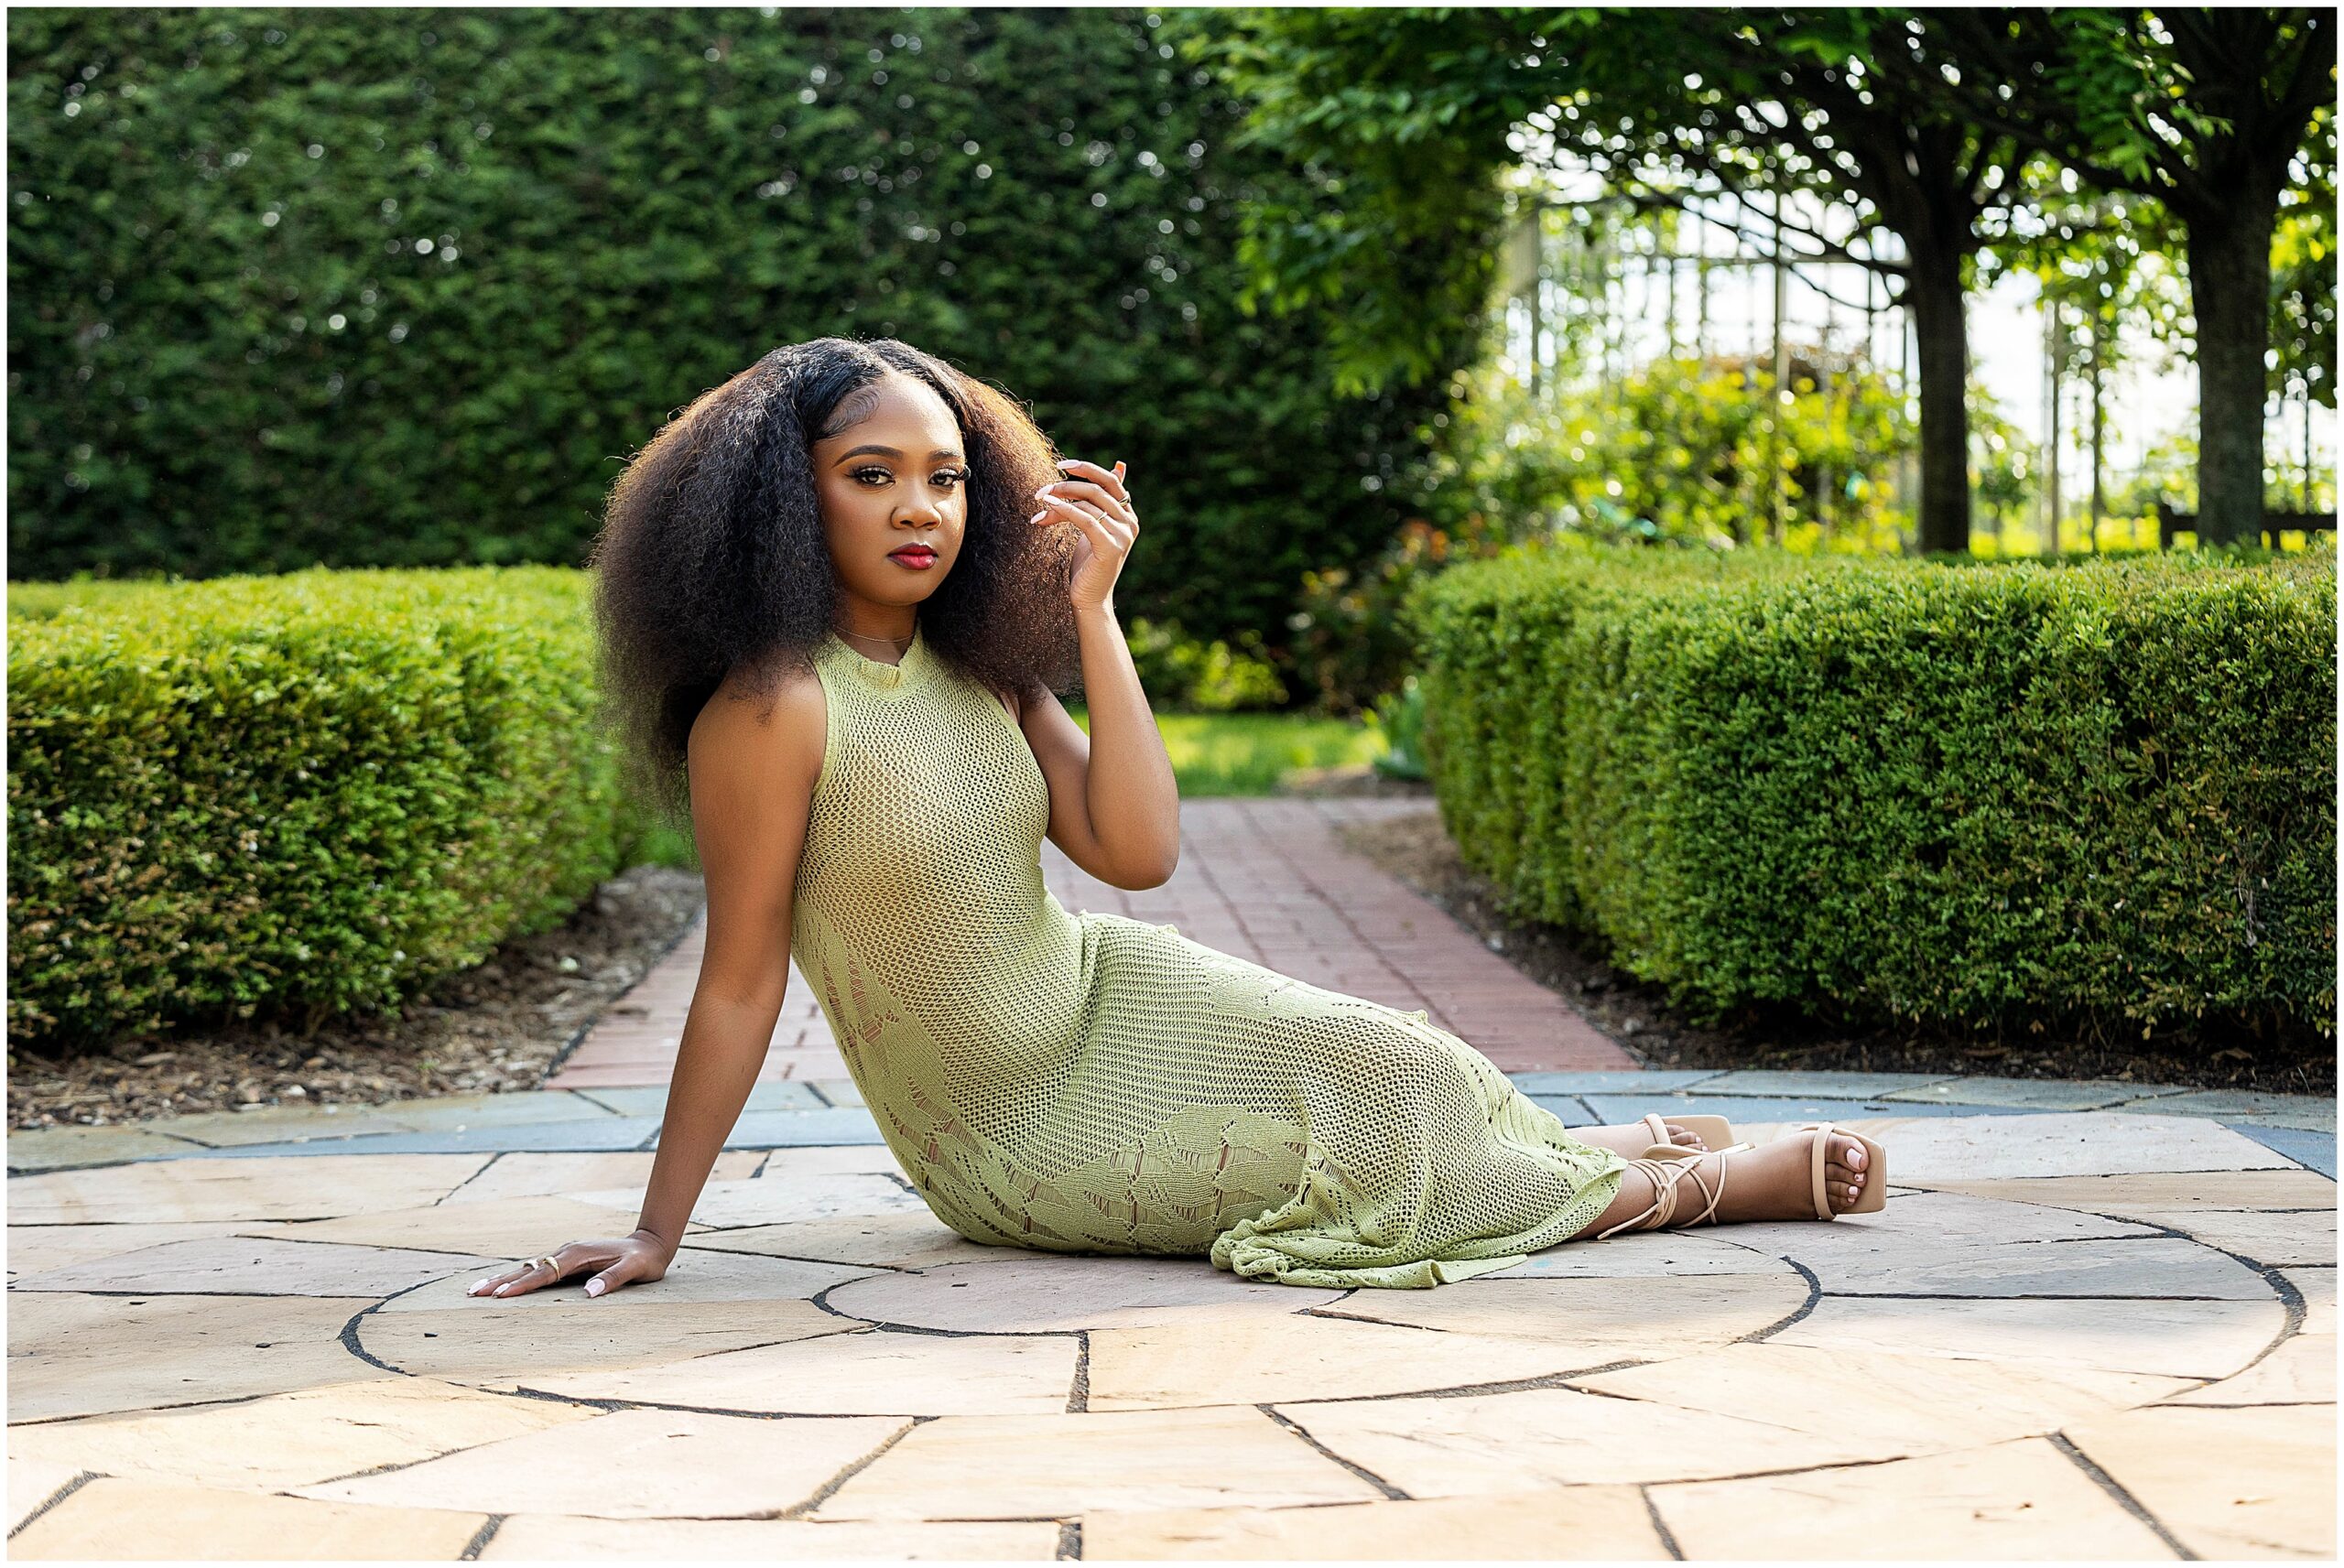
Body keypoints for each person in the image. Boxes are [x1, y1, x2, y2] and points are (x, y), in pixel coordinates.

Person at [469, 337, 1884, 1303]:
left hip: (1106, 994)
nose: (923, 508)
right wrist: (664, 1228)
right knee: (1357, 1144)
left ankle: (1574, 1154)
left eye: (949, 475)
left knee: (1390, 1049)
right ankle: (1681, 1187)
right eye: (872, 473)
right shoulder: (773, 708)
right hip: (1006, 1130)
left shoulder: (985, 670)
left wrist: (1090, 616)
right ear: (789, 498)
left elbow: (1136, 852)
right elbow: (737, 977)